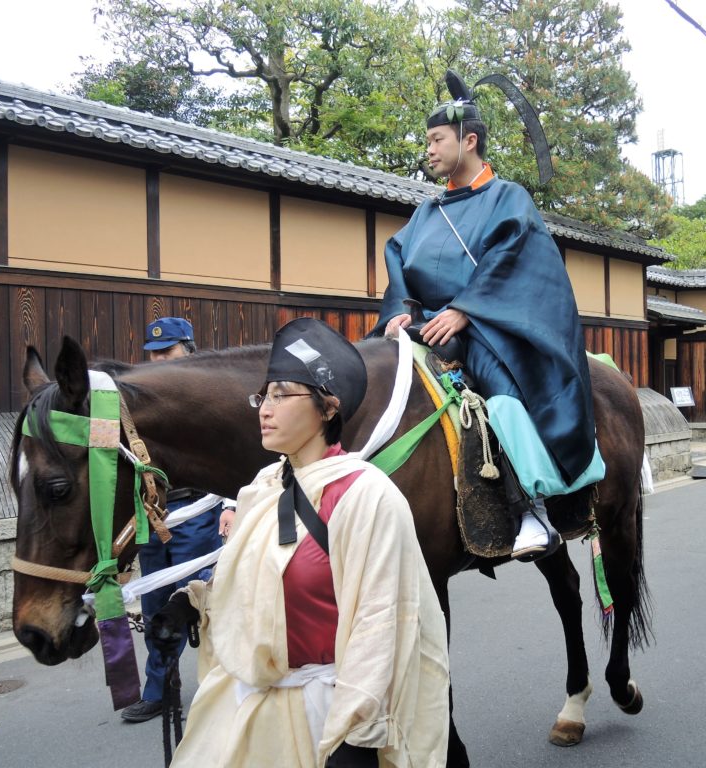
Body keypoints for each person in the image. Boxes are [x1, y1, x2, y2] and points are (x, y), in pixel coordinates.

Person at [152, 318, 451, 767]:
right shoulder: (264, 485)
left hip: (325, 715)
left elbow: (381, 621)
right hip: (254, 711)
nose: (263, 409)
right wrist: (196, 604)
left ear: (328, 408)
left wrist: (356, 736)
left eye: (281, 395)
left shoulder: (366, 495)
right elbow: (259, 581)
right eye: (263, 395)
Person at [371, 71, 605, 561]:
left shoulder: (509, 198)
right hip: (424, 325)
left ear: (468, 140)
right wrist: (397, 311)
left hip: (489, 326)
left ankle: (531, 506)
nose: (429, 150)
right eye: (428, 141)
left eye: (437, 140)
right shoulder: (427, 211)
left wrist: (465, 311)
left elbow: (514, 260)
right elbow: (398, 259)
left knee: (499, 386)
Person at [121, 317, 225, 724]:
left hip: (197, 512)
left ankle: (225, 686)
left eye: (168, 351)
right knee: (154, 607)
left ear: (189, 348)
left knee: (201, 602)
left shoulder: (207, 397)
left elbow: (228, 456)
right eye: (153, 353)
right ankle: (160, 691)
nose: (159, 358)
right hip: (152, 515)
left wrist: (231, 505)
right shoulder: (137, 403)